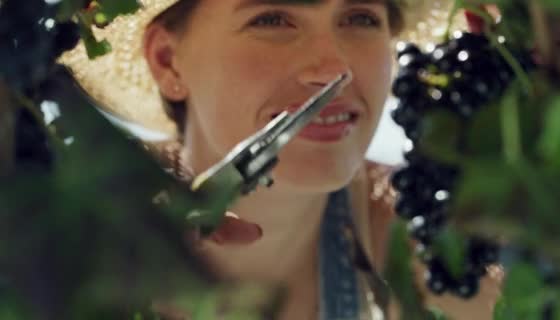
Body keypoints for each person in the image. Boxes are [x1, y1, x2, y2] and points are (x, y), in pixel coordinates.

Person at [61, 0, 504, 319]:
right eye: (273, 18)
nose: (333, 68)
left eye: (359, 17)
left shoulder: (430, 243)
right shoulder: (71, 249)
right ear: (167, 60)